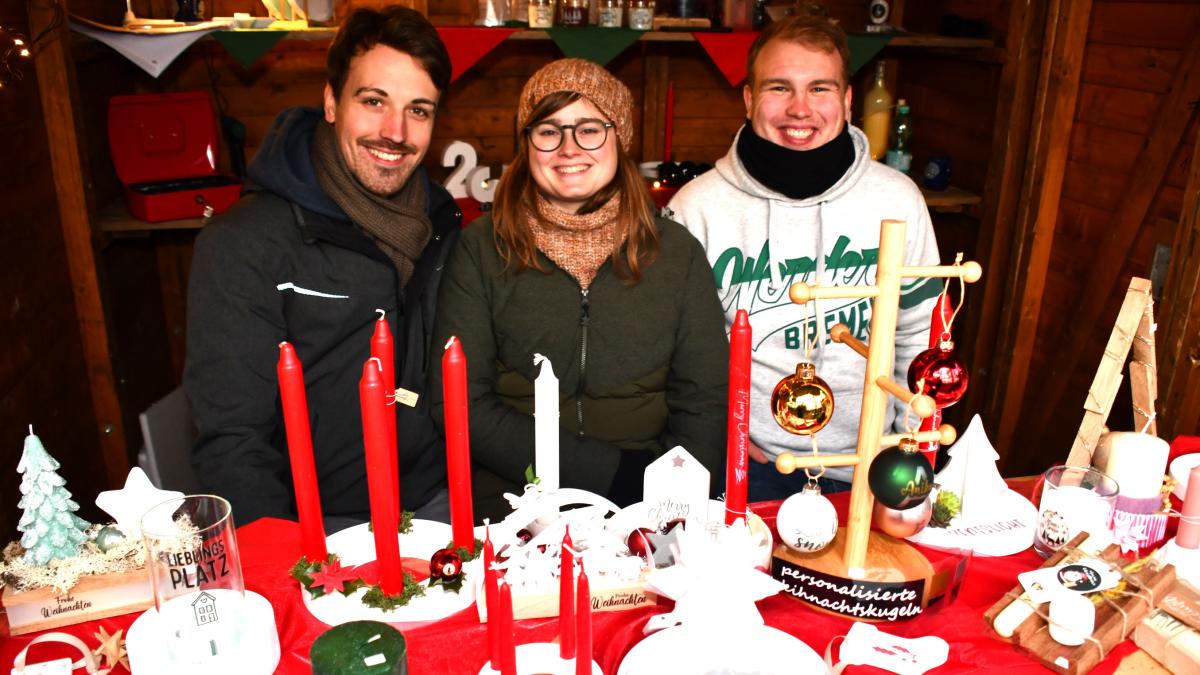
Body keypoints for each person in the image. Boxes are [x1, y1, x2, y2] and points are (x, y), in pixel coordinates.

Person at [185, 7, 460, 529]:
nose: (395, 131)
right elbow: (232, 442)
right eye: (374, 101)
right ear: (332, 102)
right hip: (314, 528)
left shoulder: (440, 224)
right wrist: (288, 568)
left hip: (435, 507)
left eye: (418, 110)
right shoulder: (246, 243)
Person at [430, 59, 728, 523]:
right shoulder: (481, 248)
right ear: (527, 143)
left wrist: (670, 492)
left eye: (589, 129)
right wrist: (611, 475)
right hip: (513, 497)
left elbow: (704, 399)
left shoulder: (676, 253)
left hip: (652, 497)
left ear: (620, 137)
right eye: (548, 130)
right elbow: (461, 403)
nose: (569, 148)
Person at [667, 15, 941, 502]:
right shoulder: (695, 207)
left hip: (873, 463)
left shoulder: (898, 200)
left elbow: (919, 335)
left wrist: (909, 441)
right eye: (779, 88)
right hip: (747, 463)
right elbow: (669, 348)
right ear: (749, 98)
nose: (800, 109)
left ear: (848, 100)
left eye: (820, 89)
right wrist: (712, 436)